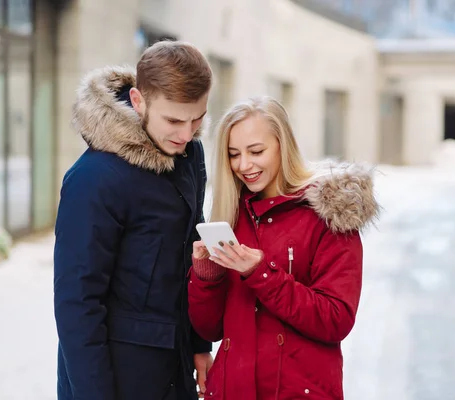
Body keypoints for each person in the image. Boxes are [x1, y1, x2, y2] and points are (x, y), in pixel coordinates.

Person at [187, 96, 379, 399]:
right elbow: (210, 330)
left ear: (283, 145)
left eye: (256, 151)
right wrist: (208, 276)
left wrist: (261, 274)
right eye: (233, 154)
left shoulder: (328, 214)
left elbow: (336, 319)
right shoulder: (233, 216)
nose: (243, 165)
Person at [53, 41, 214, 400]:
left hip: (176, 370)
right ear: (139, 102)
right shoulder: (94, 178)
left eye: (197, 118)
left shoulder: (189, 153)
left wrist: (199, 342)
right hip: (116, 378)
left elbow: (192, 251)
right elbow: (77, 303)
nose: (186, 134)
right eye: (173, 120)